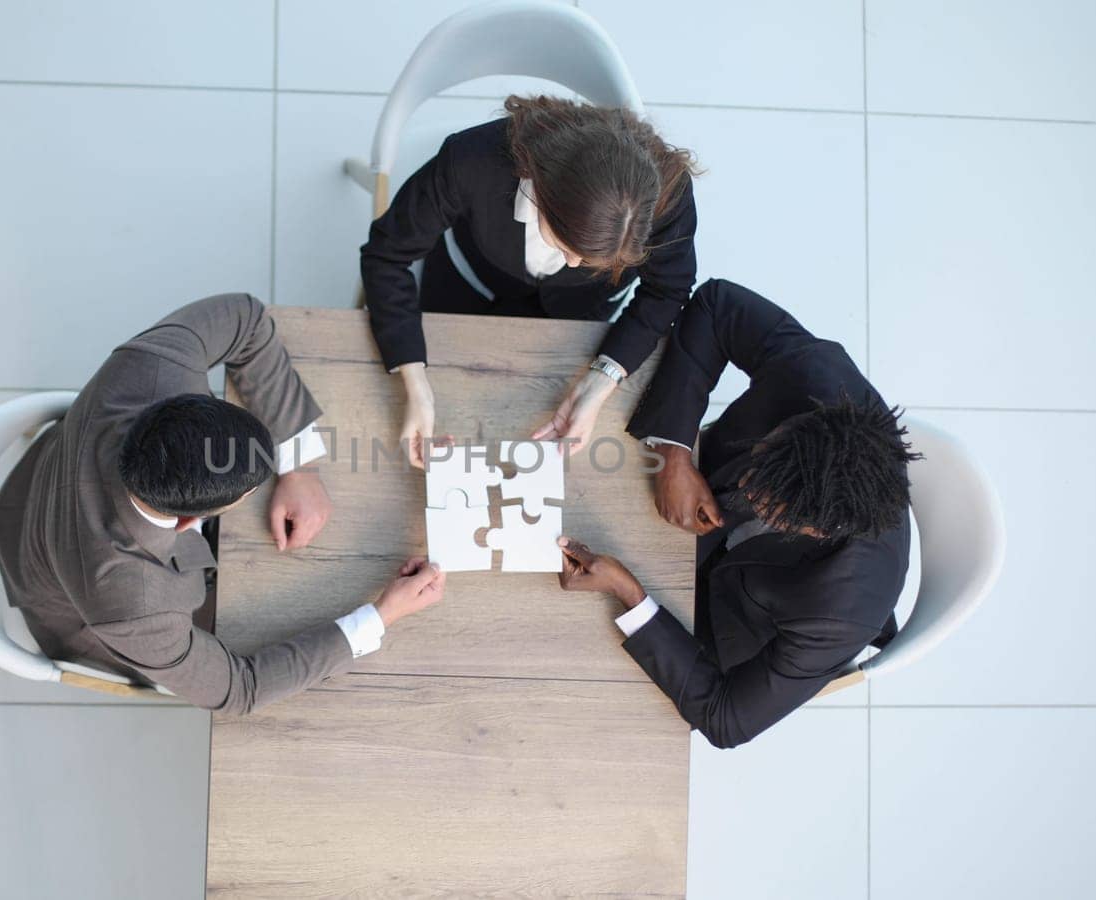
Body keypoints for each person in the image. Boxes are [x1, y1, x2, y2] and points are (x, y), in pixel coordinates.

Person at [0, 294, 446, 714]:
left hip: (46, 478)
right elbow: (239, 689)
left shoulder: (154, 367)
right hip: (63, 597)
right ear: (193, 519)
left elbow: (245, 318)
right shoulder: (136, 610)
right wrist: (381, 615)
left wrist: (300, 465)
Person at [556, 279, 919, 748]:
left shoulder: (841, 614)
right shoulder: (822, 378)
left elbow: (727, 721)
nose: (747, 486)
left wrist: (629, 593)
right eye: (764, 458)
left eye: (770, 500)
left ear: (817, 529)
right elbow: (716, 303)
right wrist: (675, 453)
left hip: (718, 621)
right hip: (674, 486)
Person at [360, 95, 700, 466]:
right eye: (569, 248)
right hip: (469, 287)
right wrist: (415, 383)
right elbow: (387, 255)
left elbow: (668, 289)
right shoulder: (471, 159)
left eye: (590, 260)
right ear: (545, 196)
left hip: (581, 313)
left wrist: (601, 380)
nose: (572, 263)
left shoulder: (669, 194)